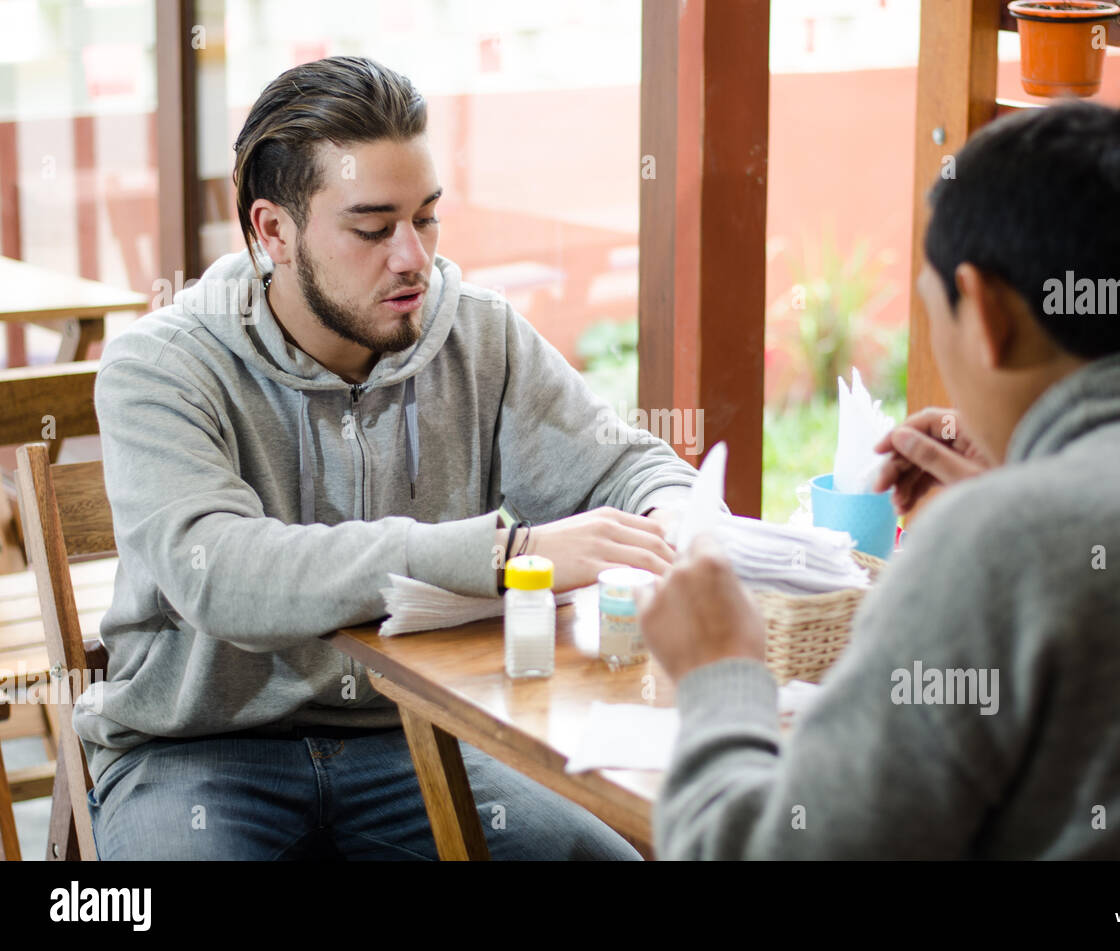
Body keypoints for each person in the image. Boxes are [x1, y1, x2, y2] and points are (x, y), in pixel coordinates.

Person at [639, 100, 1120, 859]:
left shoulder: (995, 547)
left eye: (933, 310)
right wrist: (1028, 481)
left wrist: (721, 671)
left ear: (984, 312)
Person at [78, 56, 698, 860]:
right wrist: (504, 553)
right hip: (198, 751)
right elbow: (220, 573)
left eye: (427, 217)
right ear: (275, 231)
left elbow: (627, 466)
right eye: (373, 227)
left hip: (418, 734)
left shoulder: (478, 333)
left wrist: (678, 516)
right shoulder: (159, 366)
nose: (413, 257)